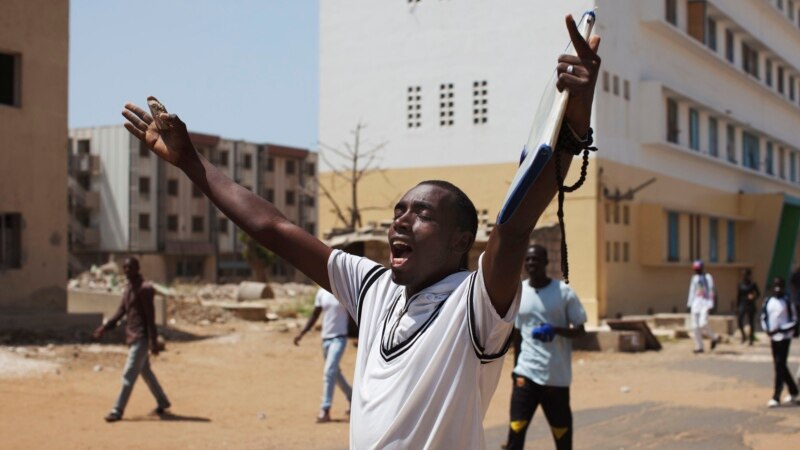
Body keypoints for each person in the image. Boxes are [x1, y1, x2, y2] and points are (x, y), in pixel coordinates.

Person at [120, 15, 600, 449]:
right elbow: (274, 227)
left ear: (460, 241)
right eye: (399, 210)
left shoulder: (475, 305)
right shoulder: (373, 289)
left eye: (422, 213)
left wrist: (573, 126)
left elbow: (513, 230)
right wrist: (190, 162)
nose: (401, 220)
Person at [505, 245, 586, 450]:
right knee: (516, 432)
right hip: (526, 375)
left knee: (562, 436)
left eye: (536, 259)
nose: (531, 263)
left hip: (555, 378)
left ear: (546, 263)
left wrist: (556, 330)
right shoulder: (519, 292)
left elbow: (580, 330)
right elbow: (518, 336)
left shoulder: (563, 292)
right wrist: (516, 373)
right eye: (528, 259)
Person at [92, 257, 171, 422]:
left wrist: (153, 341)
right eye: (125, 268)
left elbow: (151, 317)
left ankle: (117, 410)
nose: (127, 270)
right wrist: (105, 327)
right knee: (146, 373)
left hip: (141, 338)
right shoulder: (128, 289)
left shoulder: (144, 289)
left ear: (137, 268)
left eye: (130, 267)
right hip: (132, 337)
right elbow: (120, 312)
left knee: (128, 374)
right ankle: (163, 401)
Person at [294, 288, 353, 423]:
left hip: (340, 338)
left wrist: (359, 335)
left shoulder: (343, 291)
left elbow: (353, 315)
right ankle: (351, 396)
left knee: (329, 371)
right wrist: (302, 333)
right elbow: (315, 315)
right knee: (334, 373)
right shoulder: (321, 293)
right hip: (325, 339)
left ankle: (325, 409)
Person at [761, 277, 799, 407]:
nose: (778, 289)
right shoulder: (768, 301)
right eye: (775, 286)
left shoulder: (788, 302)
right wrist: (768, 330)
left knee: (779, 365)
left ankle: (776, 395)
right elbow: (764, 317)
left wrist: (781, 330)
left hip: (785, 338)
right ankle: (793, 389)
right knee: (780, 365)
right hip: (773, 338)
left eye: (780, 286)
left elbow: (794, 320)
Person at [687, 260, 720, 353]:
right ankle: (699, 346)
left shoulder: (708, 277)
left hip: (705, 303)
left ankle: (714, 338)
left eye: (698, 269)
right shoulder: (694, 278)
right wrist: (689, 304)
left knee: (703, 323)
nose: (697, 271)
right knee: (695, 326)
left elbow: (711, 290)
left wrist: (712, 304)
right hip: (695, 303)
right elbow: (692, 291)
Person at [736, 269, 760, 345]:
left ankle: (751, 338)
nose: (744, 276)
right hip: (742, 304)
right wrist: (737, 306)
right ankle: (743, 335)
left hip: (750, 304)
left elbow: (758, 294)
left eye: (745, 275)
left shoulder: (753, 284)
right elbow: (738, 296)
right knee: (740, 320)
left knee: (751, 322)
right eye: (743, 275)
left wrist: (753, 296)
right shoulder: (740, 284)